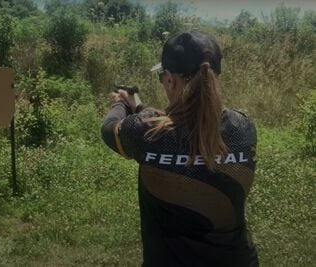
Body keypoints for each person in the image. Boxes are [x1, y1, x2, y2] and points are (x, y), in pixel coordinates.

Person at [101, 30, 259, 266]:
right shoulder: (243, 127)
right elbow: (181, 126)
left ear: (170, 80)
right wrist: (140, 106)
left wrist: (121, 105)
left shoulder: (144, 133)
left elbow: (110, 129)